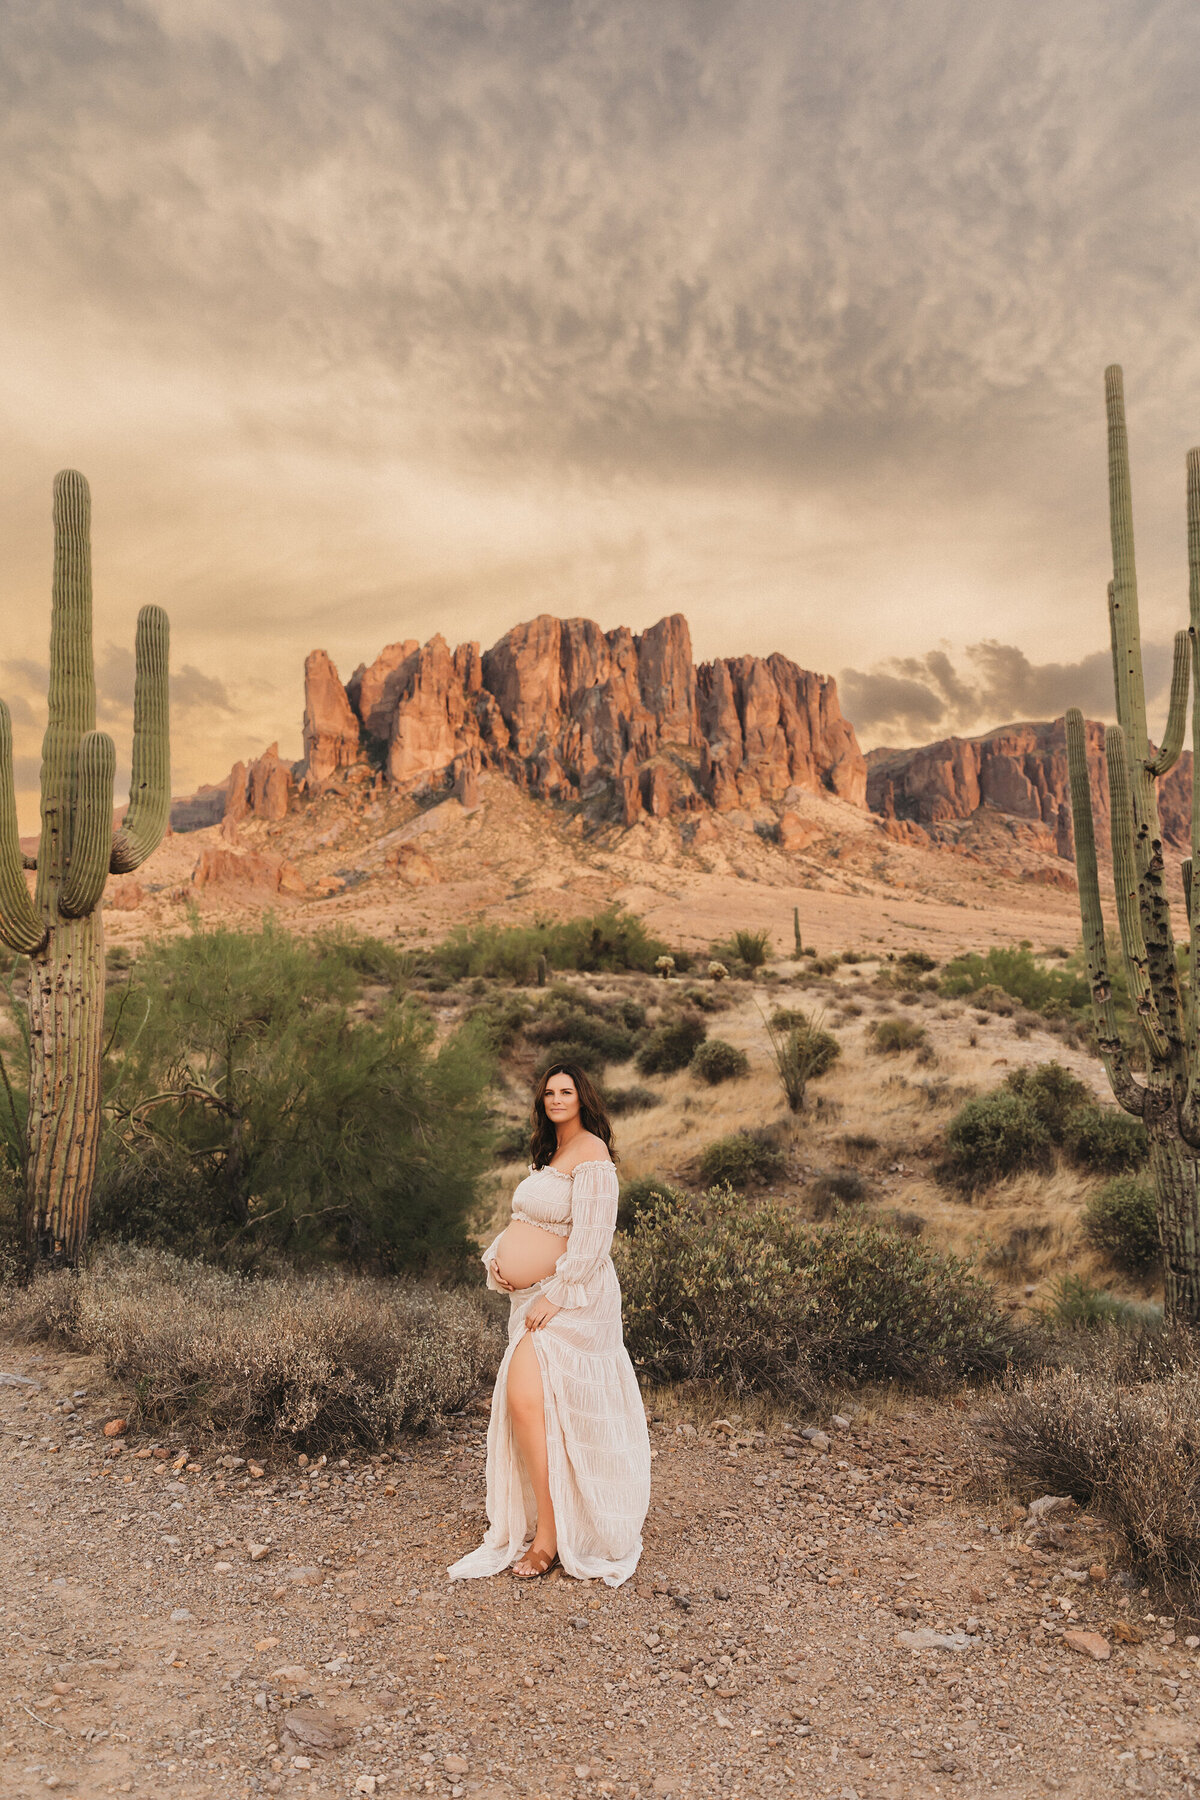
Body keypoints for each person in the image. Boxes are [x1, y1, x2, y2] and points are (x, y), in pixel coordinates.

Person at [447, 1060, 651, 1585]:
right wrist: (501, 1261)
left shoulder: (592, 1151)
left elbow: (592, 1240)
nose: (555, 1099)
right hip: (537, 1296)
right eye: (548, 1092)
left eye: (565, 1091)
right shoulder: (550, 1154)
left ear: (582, 1098)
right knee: (531, 1405)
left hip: (576, 1300)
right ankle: (551, 1522)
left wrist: (555, 1295)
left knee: (530, 1397)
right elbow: (530, 1224)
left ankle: (552, 1536)